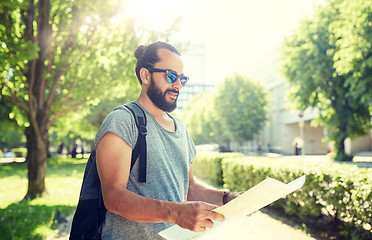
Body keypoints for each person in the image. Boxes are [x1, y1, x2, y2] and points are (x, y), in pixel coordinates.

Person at [95, 41, 241, 239]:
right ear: (146, 75)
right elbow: (113, 196)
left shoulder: (181, 129)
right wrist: (177, 213)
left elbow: (188, 188)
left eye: (182, 78)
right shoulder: (122, 120)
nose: (178, 84)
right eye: (171, 76)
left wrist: (228, 198)